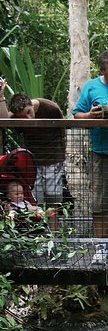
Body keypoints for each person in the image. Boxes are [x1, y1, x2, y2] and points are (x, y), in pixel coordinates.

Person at [73, 49, 108, 264]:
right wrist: (91, 115)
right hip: (101, 153)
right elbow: (77, 114)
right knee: (100, 202)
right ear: (103, 70)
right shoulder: (91, 87)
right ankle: (101, 246)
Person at [0, 87, 65, 231]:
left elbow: (63, 130)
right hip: (32, 162)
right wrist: (1, 97)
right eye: (24, 116)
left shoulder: (50, 108)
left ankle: (54, 236)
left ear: (31, 104)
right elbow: (4, 121)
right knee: (36, 201)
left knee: (54, 200)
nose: (29, 118)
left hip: (53, 159)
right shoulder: (16, 115)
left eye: (29, 112)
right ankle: (39, 236)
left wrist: (62, 155)